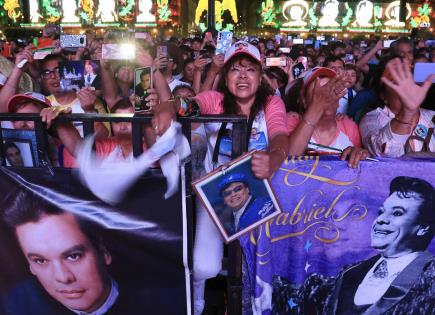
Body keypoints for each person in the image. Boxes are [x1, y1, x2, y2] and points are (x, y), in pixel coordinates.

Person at [154, 40, 289, 315]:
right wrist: (170, 105)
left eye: (249, 69)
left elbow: (280, 136)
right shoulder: (214, 100)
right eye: (235, 70)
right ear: (225, 77)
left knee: (257, 262)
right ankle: (197, 304)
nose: (242, 76)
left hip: (258, 189)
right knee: (206, 265)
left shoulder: (271, 103)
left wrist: (273, 159)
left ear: (260, 75)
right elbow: (187, 106)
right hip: (217, 190)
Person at [325, 176, 435, 314]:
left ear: (423, 227)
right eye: (381, 212)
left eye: (397, 213)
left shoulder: (430, 279)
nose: (381, 220)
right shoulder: (349, 273)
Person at [1, 189, 116, 315]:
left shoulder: (140, 298)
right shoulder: (16, 305)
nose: (63, 277)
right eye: (40, 260)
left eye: (73, 256)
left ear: (103, 252)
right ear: (30, 265)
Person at [286, 67, 369, 168]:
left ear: (339, 101)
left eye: (332, 92)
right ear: (304, 101)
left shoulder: (349, 127)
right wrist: (317, 108)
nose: (326, 98)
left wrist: (358, 154)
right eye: (318, 94)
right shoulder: (291, 121)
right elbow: (285, 164)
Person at [359, 58, 435, 157]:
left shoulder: (431, 115)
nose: (406, 85)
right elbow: (382, 152)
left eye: (408, 77)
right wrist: (408, 112)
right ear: (383, 95)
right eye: (395, 80)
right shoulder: (372, 119)